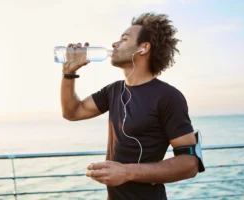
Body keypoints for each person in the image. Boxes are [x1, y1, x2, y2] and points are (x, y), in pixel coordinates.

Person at [60, 12, 204, 200]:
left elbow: (189, 164)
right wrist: (68, 74)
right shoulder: (113, 91)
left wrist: (126, 172)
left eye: (124, 39)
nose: (114, 44)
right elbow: (72, 112)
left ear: (143, 48)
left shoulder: (168, 97)